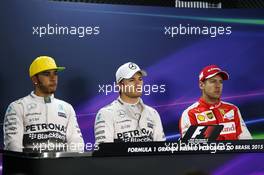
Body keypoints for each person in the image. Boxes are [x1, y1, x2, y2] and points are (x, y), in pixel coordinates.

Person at [3, 56, 84, 152]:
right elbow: (13, 147)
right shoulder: (17, 107)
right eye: (47, 74)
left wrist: (66, 165)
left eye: (55, 73)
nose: (53, 78)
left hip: (61, 166)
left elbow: (76, 144)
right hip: (29, 166)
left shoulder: (67, 108)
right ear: (35, 79)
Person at [94, 62, 165, 143]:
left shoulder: (153, 113)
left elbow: (161, 150)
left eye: (140, 79)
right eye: (132, 80)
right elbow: (103, 151)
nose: (138, 84)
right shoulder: (106, 113)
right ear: (120, 85)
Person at [179, 65, 252, 140]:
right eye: (213, 81)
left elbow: (246, 142)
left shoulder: (232, 109)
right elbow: (189, 148)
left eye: (220, 82)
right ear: (201, 85)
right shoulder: (190, 113)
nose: (218, 86)